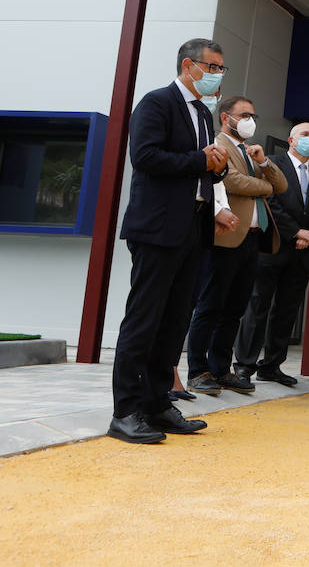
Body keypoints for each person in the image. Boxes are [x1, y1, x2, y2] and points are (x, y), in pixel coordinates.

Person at [108, 39, 230, 444]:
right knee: (145, 320)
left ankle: (157, 403)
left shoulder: (203, 113)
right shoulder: (156, 103)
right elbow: (145, 157)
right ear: (188, 65)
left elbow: (203, 169)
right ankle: (126, 411)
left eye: (221, 69)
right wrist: (201, 160)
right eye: (212, 67)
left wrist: (216, 167)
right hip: (157, 229)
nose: (217, 75)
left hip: (193, 229)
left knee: (175, 321)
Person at [185, 96, 286, 396]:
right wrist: (266, 187)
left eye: (253, 115)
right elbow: (231, 181)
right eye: (244, 115)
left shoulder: (251, 151)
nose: (249, 120)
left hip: (252, 238)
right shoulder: (218, 145)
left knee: (234, 309)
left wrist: (264, 163)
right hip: (225, 237)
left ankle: (221, 369)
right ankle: (197, 370)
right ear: (225, 117)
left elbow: (281, 185)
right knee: (210, 305)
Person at [235, 122, 309, 387]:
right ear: (291, 140)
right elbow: (269, 201)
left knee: (287, 311)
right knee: (258, 306)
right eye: (305, 135)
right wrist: (296, 232)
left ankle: (271, 366)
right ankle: (244, 366)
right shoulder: (271, 164)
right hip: (273, 247)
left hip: (303, 253)